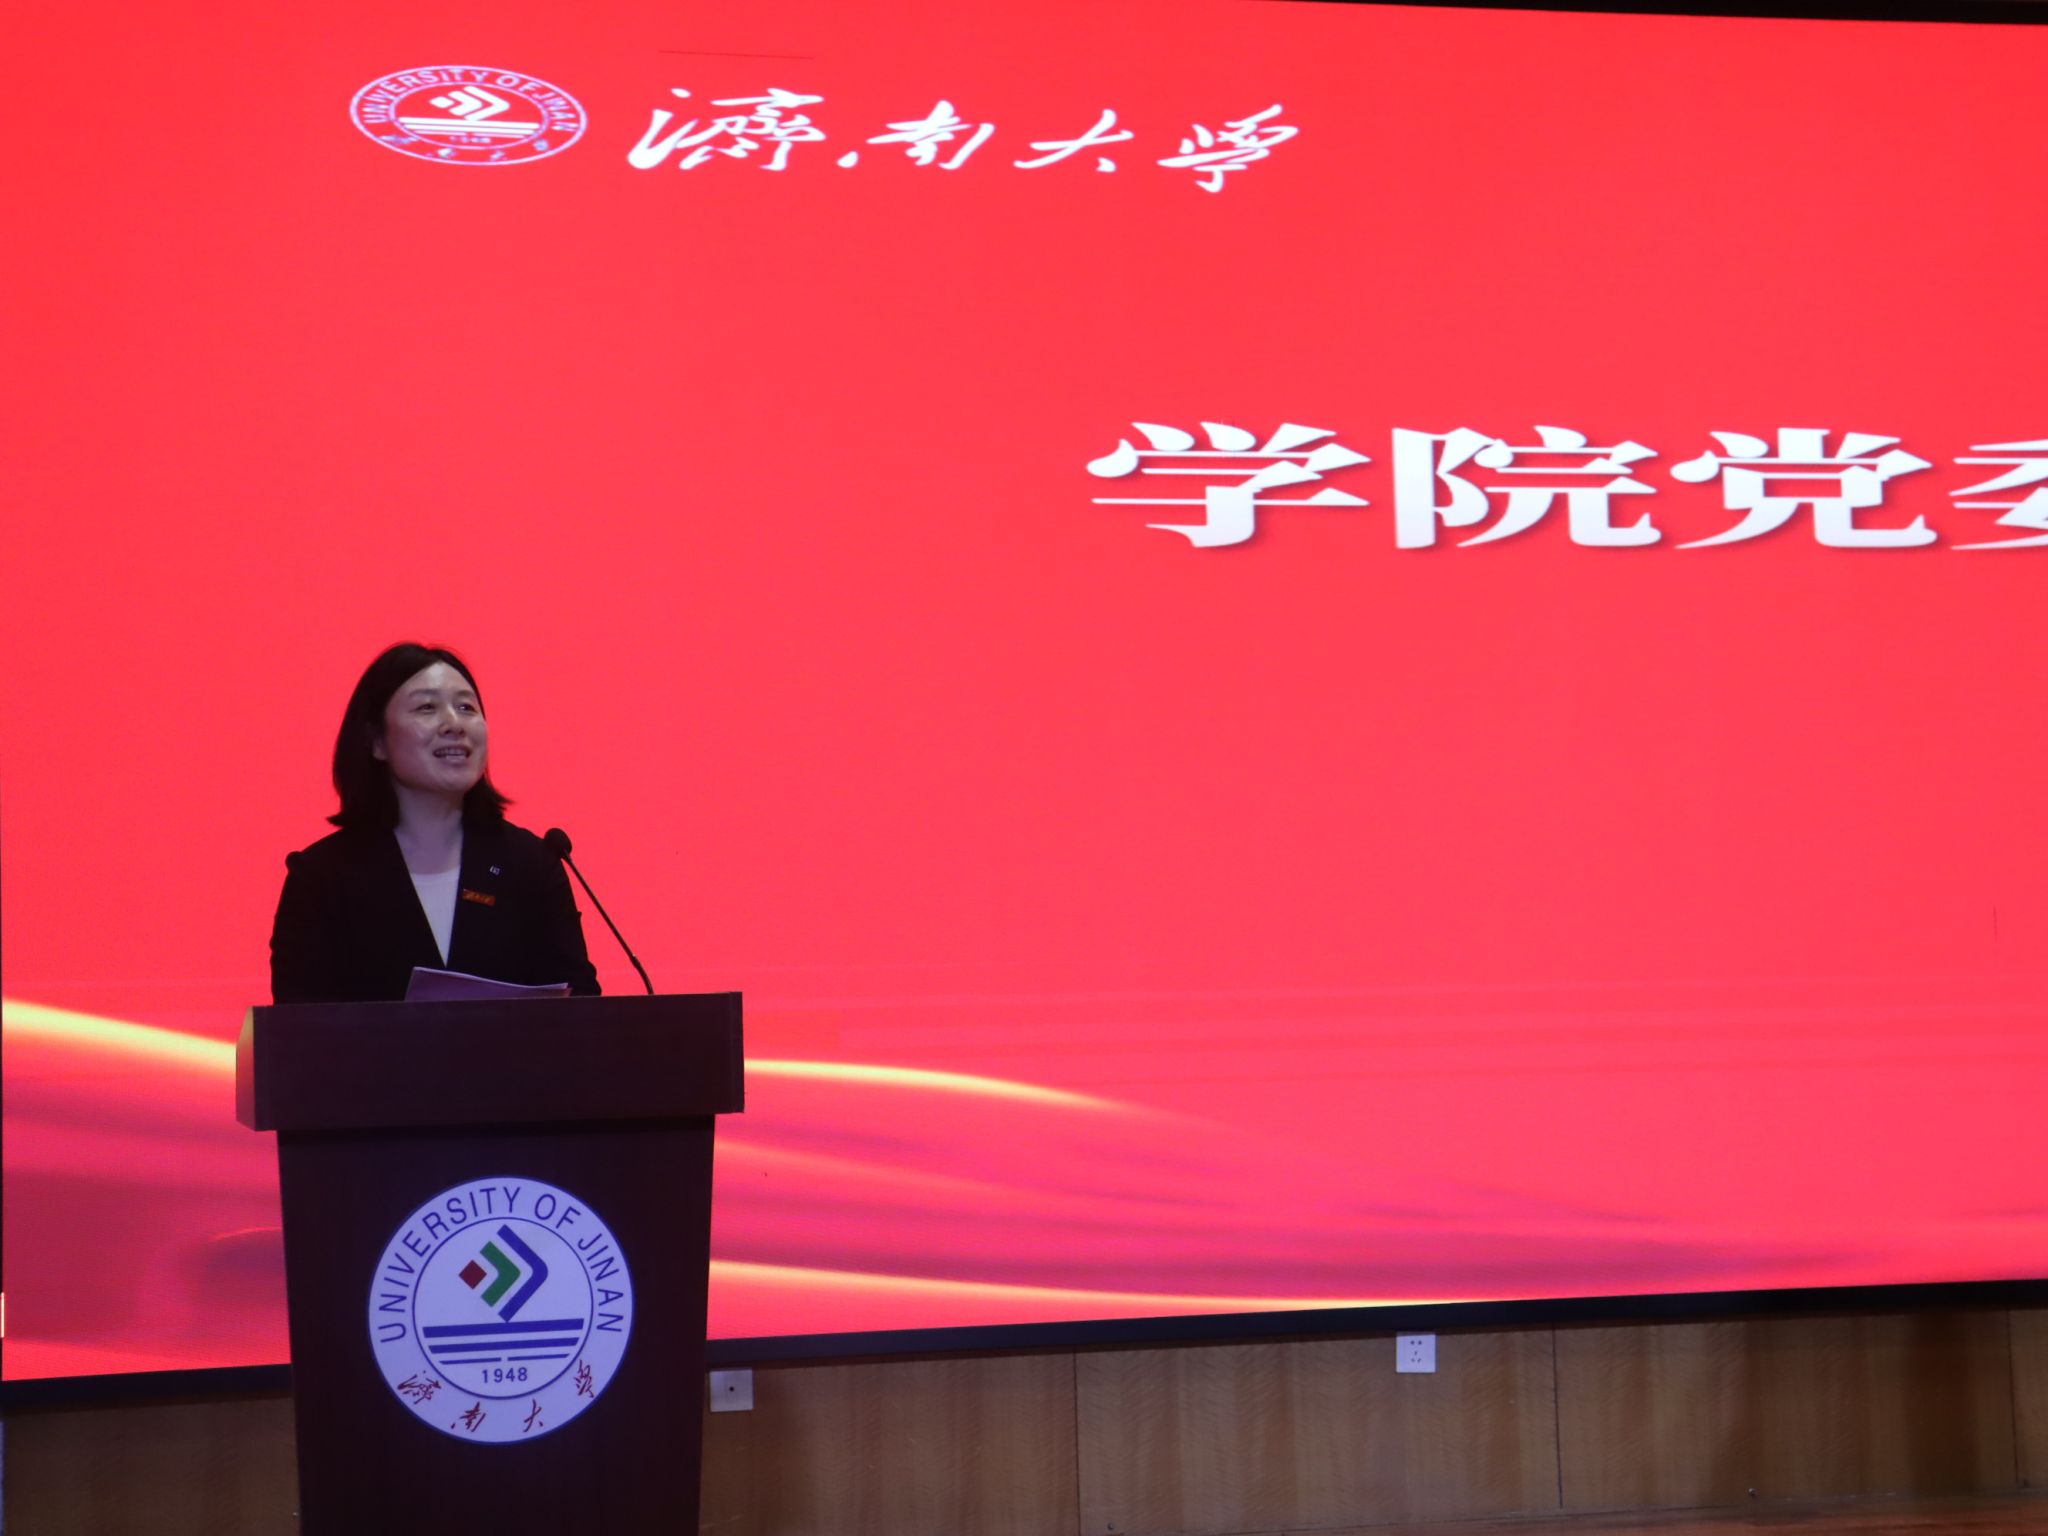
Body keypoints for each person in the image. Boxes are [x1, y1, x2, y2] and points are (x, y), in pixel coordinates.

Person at [270, 642, 601, 1003]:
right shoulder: (322, 878)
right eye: (427, 707)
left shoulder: (531, 865)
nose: (454, 724)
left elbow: (581, 1006)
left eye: (466, 707)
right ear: (377, 740)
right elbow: (297, 1025)